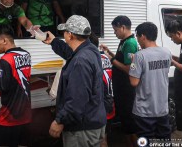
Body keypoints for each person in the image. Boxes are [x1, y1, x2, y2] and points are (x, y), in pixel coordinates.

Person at [43, 15, 106, 147]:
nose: (63, 35)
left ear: (70, 35)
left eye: (64, 32)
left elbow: (77, 98)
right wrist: (54, 41)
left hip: (82, 129)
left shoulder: (80, 61)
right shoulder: (91, 50)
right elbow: (71, 54)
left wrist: (59, 121)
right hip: (93, 119)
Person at [0, 24, 32, 147]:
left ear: (4, 40)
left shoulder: (6, 59)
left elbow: (3, 86)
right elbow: (14, 69)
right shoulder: (25, 54)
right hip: (25, 114)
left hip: (9, 116)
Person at [129, 22, 172, 141]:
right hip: (162, 108)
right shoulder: (167, 52)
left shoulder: (139, 56)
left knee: (144, 140)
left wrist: (133, 62)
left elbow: (134, 82)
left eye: (137, 37)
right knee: (163, 139)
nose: (137, 40)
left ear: (143, 36)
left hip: (144, 110)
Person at [100, 15, 138, 147]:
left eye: (115, 30)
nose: (115, 33)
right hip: (120, 90)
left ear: (123, 27)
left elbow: (129, 69)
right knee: (125, 123)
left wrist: (111, 61)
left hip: (126, 90)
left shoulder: (130, 43)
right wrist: (108, 51)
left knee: (129, 123)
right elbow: (120, 59)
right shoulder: (124, 42)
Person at [90, 32, 115, 147]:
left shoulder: (89, 58)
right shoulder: (106, 57)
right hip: (109, 101)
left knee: (96, 139)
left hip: (97, 105)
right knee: (104, 136)